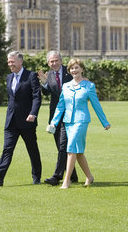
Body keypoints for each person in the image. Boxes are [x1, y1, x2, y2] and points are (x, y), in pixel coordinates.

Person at [49, 58, 111, 189]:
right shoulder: (66, 86)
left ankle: (67, 181)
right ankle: (89, 177)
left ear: (82, 69)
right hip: (67, 122)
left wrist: (104, 122)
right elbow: (60, 106)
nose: (74, 70)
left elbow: (96, 105)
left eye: (76, 67)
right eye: (72, 68)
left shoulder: (89, 86)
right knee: (78, 153)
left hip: (81, 121)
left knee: (71, 148)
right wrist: (54, 122)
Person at [0, 51, 42, 186]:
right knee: (7, 149)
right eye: (9, 62)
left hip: (27, 120)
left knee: (32, 150)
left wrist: (33, 113)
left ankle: (36, 177)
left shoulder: (31, 76)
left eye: (13, 62)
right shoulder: (9, 77)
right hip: (11, 121)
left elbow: (36, 96)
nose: (10, 64)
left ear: (20, 62)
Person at [37, 51, 78, 186]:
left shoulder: (70, 71)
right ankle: (73, 175)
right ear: (48, 63)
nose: (54, 63)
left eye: (56, 61)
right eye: (51, 62)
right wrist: (43, 82)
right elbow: (47, 92)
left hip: (71, 114)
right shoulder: (49, 75)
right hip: (55, 116)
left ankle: (57, 176)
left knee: (63, 145)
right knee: (61, 146)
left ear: (61, 60)